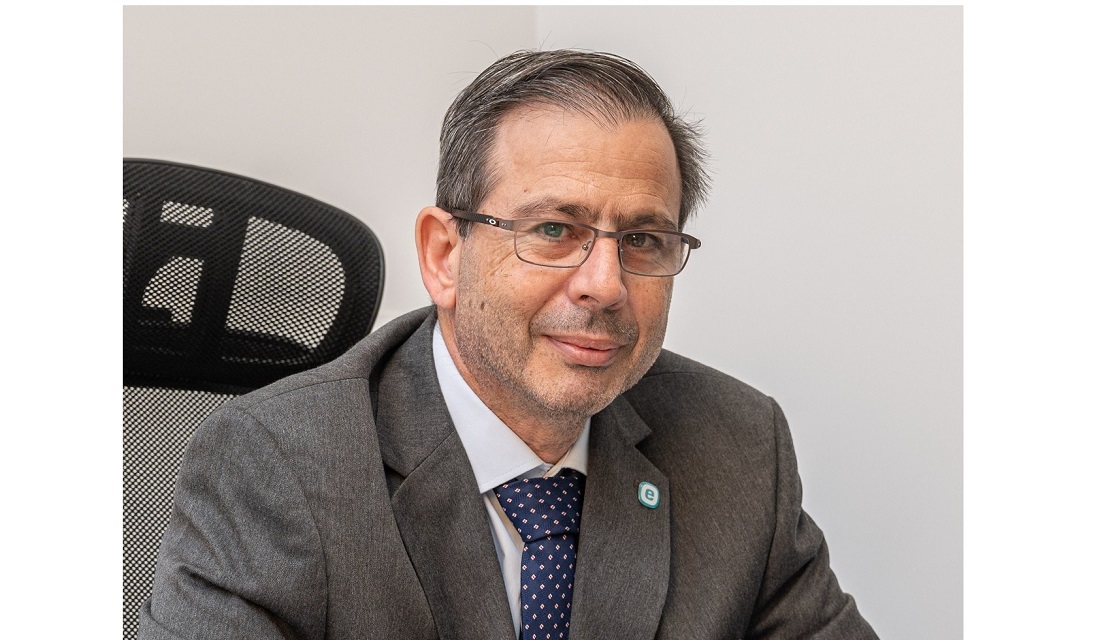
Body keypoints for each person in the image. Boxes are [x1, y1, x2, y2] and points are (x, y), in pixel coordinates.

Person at [140, 49, 878, 640]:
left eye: (645, 240)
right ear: (443, 256)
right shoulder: (277, 464)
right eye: (554, 230)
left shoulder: (738, 446)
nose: (605, 284)